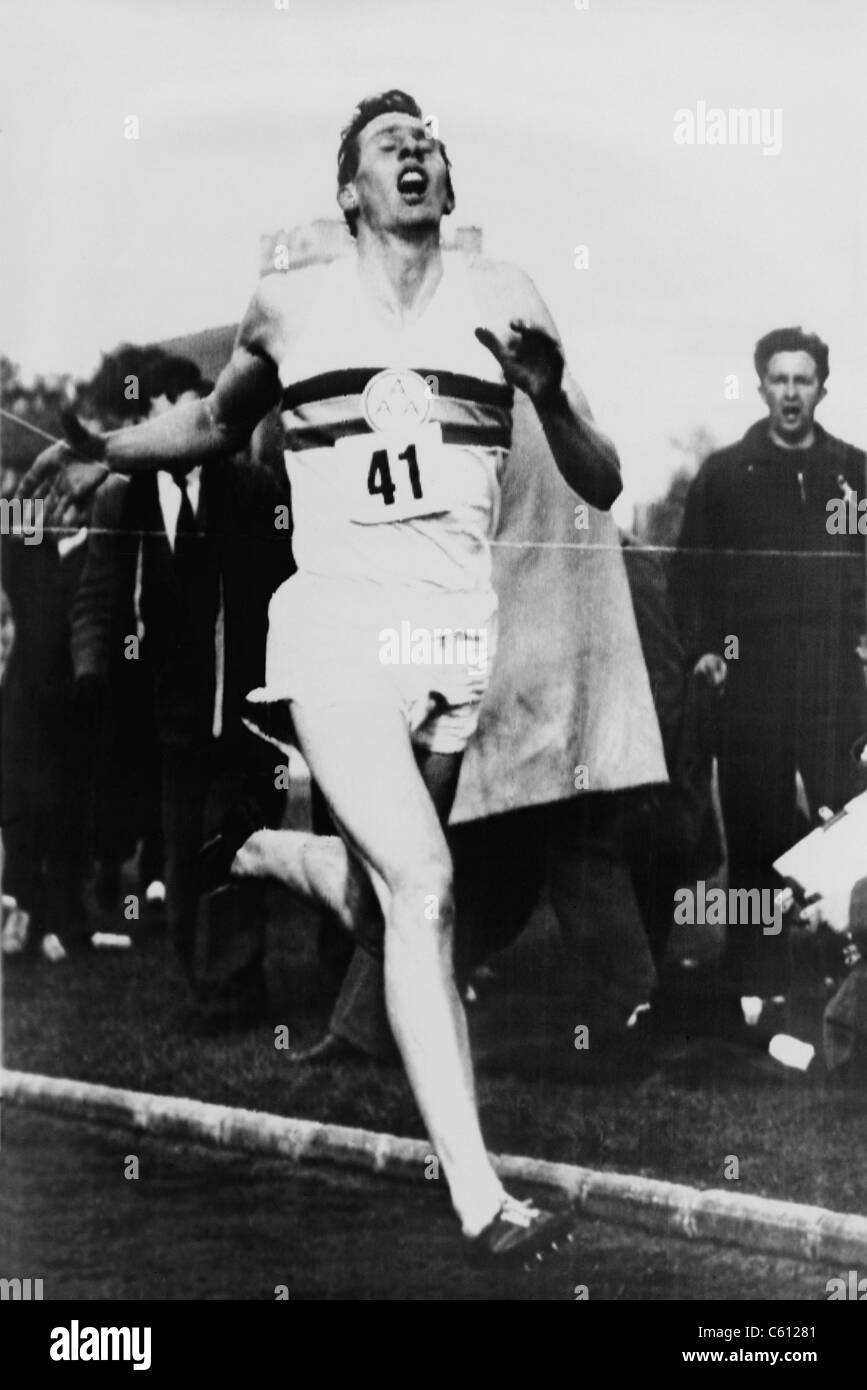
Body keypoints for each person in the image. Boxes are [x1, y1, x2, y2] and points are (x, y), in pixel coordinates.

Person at [20, 90, 622, 1263]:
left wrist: (547, 394)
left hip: (456, 637)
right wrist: (104, 450)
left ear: (448, 187)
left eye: (430, 143)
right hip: (338, 629)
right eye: (389, 145)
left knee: (393, 904)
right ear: (347, 190)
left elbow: (597, 480)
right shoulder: (292, 306)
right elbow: (206, 422)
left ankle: (259, 847)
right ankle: (482, 1202)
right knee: (429, 886)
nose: (417, 153)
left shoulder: (511, 301)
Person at [71, 359, 292, 1032]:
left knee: (234, 843)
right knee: (177, 856)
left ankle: (232, 989)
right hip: (170, 715)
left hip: (244, 707)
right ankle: (206, 982)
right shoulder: (123, 498)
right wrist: (89, 673)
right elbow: (98, 595)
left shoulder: (252, 489)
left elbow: (285, 586)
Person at [673, 327, 867, 995]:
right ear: (760, 386)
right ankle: (752, 981)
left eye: (802, 379)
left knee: (846, 820)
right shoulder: (725, 474)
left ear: (821, 388)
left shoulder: (854, 471)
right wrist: (702, 647)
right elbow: (689, 572)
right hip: (750, 674)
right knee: (754, 828)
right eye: (778, 379)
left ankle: (850, 971)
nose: (790, 392)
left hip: (833, 674)